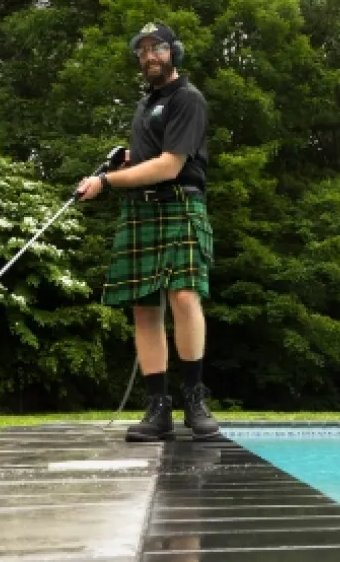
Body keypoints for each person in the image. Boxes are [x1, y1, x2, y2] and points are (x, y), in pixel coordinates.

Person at [76, 22, 220, 442]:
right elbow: (148, 156)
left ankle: (194, 398)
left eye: (157, 48)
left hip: (180, 204)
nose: (148, 56)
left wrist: (105, 183)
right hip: (141, 211)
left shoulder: (187, 99)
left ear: (175, 51)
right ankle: (158, 408)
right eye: (142, 51)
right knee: (143, 308)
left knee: (184, 295)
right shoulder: (146, 106)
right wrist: (126, 157)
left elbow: (169, 165)